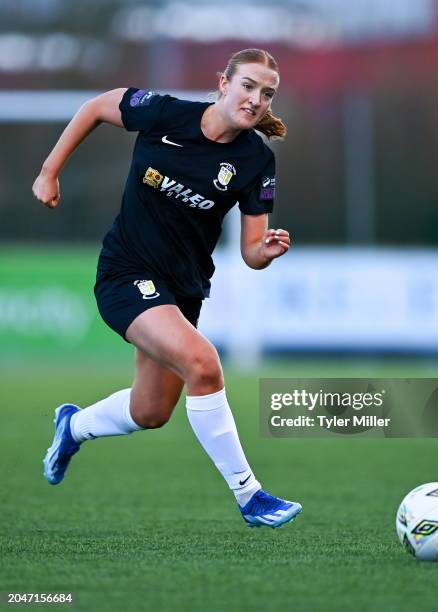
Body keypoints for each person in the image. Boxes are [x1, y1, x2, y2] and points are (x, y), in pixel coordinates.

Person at [32, 48, 301, 528]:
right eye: (248, 86)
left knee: (151, 410)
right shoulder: (164, 113)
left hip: (183, 290)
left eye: (267, 93)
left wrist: (268, 250)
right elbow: (95, 107)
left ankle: (72, 427)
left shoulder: (256, 160)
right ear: (223, 83)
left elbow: (251, 252)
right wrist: (50, 171)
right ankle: (250, 496)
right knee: (204, 363)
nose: (256, 99)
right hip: (125, 272)